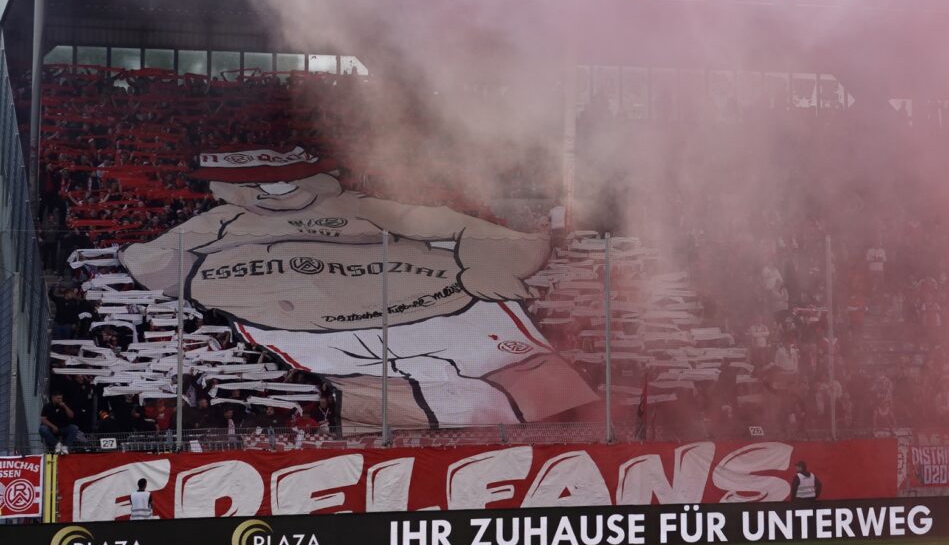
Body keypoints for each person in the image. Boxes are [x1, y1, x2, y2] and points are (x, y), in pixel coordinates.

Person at [112, 147, 595, 430]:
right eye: (254, 182)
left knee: (539, 385)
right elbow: (145, 263)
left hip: (446, 316)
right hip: (320, 344)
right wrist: (218, 238)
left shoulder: (366, 208)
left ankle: (581, 438)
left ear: (320, 178)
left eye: (287, 177)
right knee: (415, 410)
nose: (274, 187)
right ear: (224, 187)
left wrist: (484, 267)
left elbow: (488, 235)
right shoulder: (217, 224)